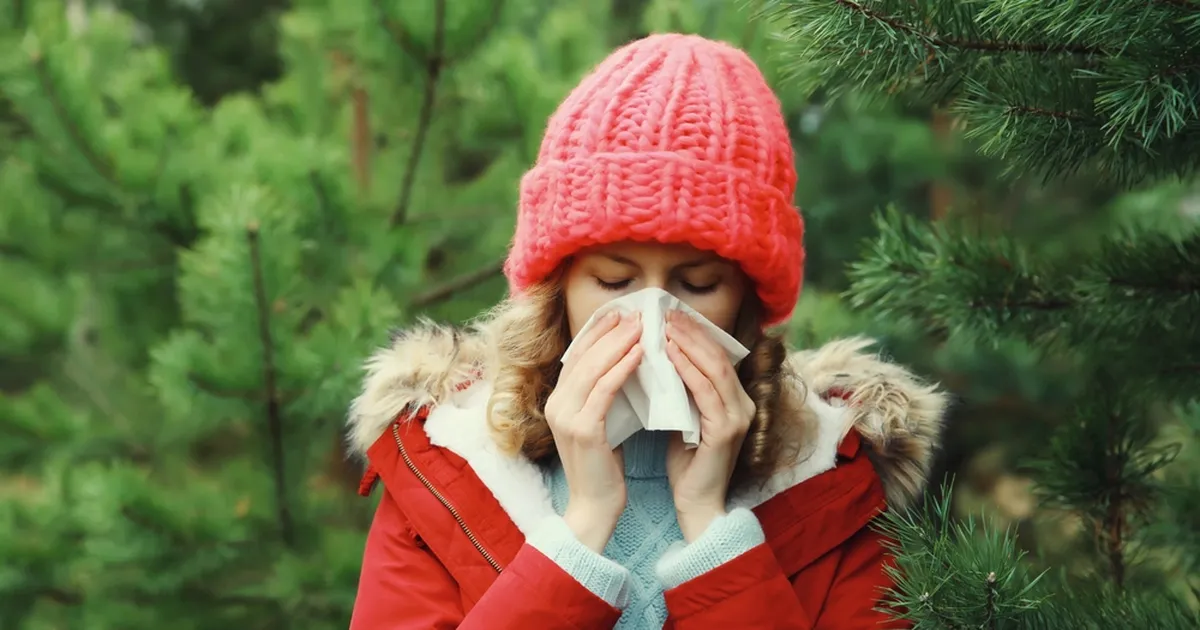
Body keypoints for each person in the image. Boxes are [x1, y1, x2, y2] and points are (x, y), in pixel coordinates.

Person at [345, 33, 948, 630]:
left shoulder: (830, 483)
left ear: (747, 302)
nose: (652, 317)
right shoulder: (446, 461)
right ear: (559, 289)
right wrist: (581, 531)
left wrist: (713, 534)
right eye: (613, 281)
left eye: (698, 283)